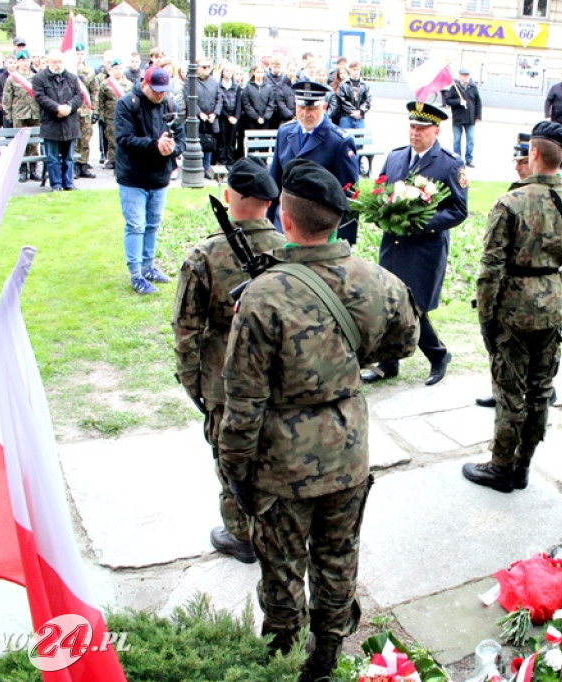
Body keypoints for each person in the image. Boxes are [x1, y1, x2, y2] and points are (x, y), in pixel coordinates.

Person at [218, 158, 420, 682]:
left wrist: (235, 471)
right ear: (337, 220)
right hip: (349, 451)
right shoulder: (381, 281)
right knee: (338, 558)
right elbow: (405, 343)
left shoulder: (263, 296)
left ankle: (283, 661)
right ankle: (327, 656)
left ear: (285, 219)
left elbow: (242, 402)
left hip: (282, 466)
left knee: (282, 571)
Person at [462, 122, 562, 493]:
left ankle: (501, 467)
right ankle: (523, 465)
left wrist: (487, 317)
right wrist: (556, 295)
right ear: (561, 158)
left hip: (513, 312)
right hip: (551, 309)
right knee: (539, 391)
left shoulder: (510, 203)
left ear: (533, 153)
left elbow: (491, 269)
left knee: (509, 393)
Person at [173, 157, 284, 564]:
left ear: (229, 198)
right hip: (280, 375)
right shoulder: (291, 250)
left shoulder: (205, 255)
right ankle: (275, 526)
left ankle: (241, 533)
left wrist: (194, 386)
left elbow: (186, 330)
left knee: (231, 457)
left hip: (225, 382)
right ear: (269, 204)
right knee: (274, 451)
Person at [361, 102, 468, 386]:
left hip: (426, 248)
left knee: (415, 305)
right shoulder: (396, 157)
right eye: (412, 126)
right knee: (389, 301)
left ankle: (438, 355)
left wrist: (422, 222)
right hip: (394, 243)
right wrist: (381, 210)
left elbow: (458, 209)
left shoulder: (449, 163)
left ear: (436, 130)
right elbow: (381, 189)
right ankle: (388, 362)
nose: (415, 133)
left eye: (421, 128)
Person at [114, 67, 186, 294]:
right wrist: (155, 145)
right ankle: (136, 274)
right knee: (136, 225)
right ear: (144, 84)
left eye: (164, 91)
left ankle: (148, 266)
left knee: (153, 224)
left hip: (159, 176)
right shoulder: (127, 104)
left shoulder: (171, 106)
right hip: (133, 176)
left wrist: (172, 150)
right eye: (156, 91)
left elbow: (182, 138)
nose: (161, 95)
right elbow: (124, 139)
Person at [267, 81, 359, 240]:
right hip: (283, 224)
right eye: (301, 108)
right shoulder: (285, 133)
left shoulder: (338, 141)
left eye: (311, 109)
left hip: (317, 230)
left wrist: (344, 239)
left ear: (323, 107)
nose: (305, 114)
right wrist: (268, 224)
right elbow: (274, 181)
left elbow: (349, 194)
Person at [32, 49, 83, 191]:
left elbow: (79, 97)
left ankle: (68, 183)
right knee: (52, 158)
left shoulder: (72, 78)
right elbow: (40, 97)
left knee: (69, 157)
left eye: (60, 61)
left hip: (69, 123)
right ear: (48, 62)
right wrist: (57, 108)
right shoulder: (39, 78)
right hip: (51, 123)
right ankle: (56, 184)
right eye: (55, 62)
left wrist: (68, 107)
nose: (58, 64)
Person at [2, 50, 40, 182]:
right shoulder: (12, 78)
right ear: (18, 62)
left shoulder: (36, 77)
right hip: (19, 114)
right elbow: (7, 98)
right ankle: (22, 170)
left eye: (27, 60)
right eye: (22, 60)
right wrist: (8, 114)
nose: (25, 63)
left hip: (34, 114)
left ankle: (34, 169)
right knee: (20, 144)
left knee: (34, 144)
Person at [441, 67, 482, 168]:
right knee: (457, 140)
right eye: (464, 76)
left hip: (470, 118)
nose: (465, 78)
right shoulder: (455, 87)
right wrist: (459, 102)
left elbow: (478, 102)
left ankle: (469, 159)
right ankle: (457, 159)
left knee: (470, 140)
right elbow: (448, 100)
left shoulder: (473, 87)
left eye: (467, 76)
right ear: (460, 76)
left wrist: (478, 116)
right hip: (458, 118)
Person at [96, 57, 131, 170]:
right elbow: (100, 101)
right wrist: (100, 116)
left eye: (120, 68)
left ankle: (121, 159)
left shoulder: (128, 84)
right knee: (111, 139)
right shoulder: (105, 84)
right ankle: (112, 159)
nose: (118, 71)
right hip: (110, 116)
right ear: (111, 70)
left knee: (123, 138)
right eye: (115, 68)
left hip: (125, 117)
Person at [72, 43, 98, 179]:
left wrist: (95, 109)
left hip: (86, 110)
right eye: (77, 53)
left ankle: (84, 163)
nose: (79, 56)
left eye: (81, 53)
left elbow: (94, 91)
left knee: (86, 138)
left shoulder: (89, 71)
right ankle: (75, 164)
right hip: (73, 111)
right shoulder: (69, 70)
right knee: (75, 138)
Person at [216, 62, 242, 166]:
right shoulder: (219, 86)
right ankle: (222, 161)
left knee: (232, 140)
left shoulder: (236, 87)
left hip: (234, 116)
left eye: (231, 71)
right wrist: (227, 116)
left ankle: (231, 161)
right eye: (227, 71)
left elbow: (238, 103)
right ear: (222, 72)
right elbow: (219, 103)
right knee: (223, 140)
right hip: (223, 116)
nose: (229, 73)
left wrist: (236, 116)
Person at [334, 60, 371, 130]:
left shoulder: (365, 85)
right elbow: (341, 100)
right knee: (344, 138)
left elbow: (368, 100)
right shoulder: (343, 85)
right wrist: (353, 111)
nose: (356, 72)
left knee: (360, 139)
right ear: (350, 70)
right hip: (346, 116)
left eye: (358, 70)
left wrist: (360, 111)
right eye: (354, 69)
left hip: (360, 117)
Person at [242, 63, 274, 134]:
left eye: (261, 72)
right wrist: (256, 117)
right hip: (251, 120)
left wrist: (265, 117)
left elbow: (271, 104)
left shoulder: (269, 87)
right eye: (258, 72)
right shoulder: (248, 87)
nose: (260, 74)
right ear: (254, 72)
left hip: (265, 120)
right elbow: (246, 104)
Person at [264, 57, 295, 129]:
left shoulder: (284, 79)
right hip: (271, 109)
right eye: (275, 67)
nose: (277, 69)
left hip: (281, 111)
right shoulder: (266, 78)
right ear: (271, 66)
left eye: (279, 67)